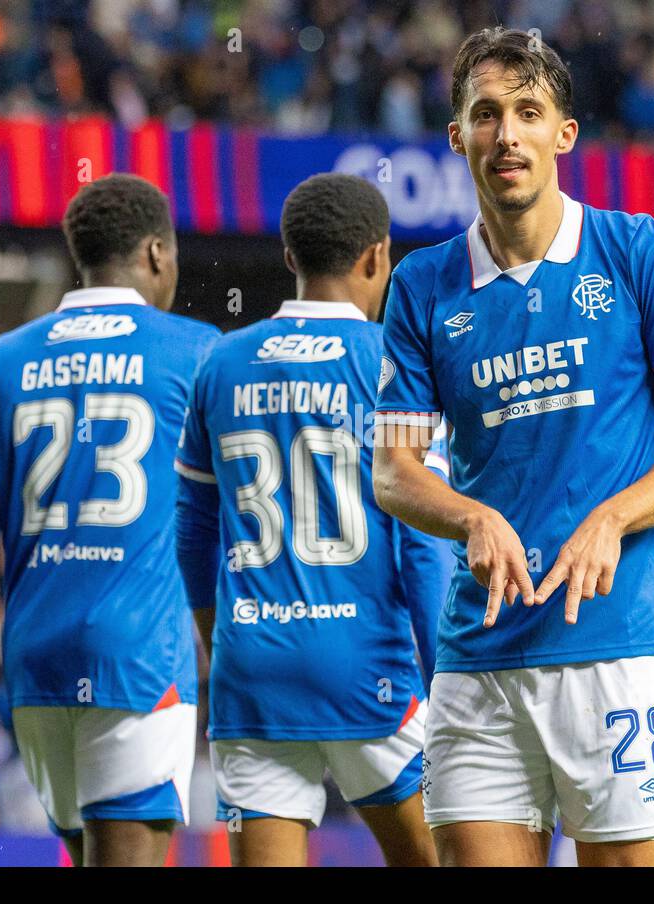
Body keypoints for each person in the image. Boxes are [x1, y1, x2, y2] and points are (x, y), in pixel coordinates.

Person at [371, 27, 654, 867]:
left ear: (563, 133)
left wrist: (613, 518)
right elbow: (394, 469)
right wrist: (468, 520)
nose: (508, 135)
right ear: (457, 135)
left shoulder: (641, 254)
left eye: (528, 112)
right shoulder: (422, 286)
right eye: (487, 114)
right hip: (479, 658)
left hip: (616, 647)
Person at [0, 173, 219, 866]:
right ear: (157, 253)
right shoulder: (198, 350)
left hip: (36, 660)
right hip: (137, 653)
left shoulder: (3, 361)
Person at [174, 173, 451, 866]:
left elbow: (192, 529)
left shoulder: (221, 362)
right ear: (378, 257)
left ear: (289, 257)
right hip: (367, 668)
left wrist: (220, 637)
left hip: (253, 668)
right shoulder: (396, 364)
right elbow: (422, 542)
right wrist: (447, 678)